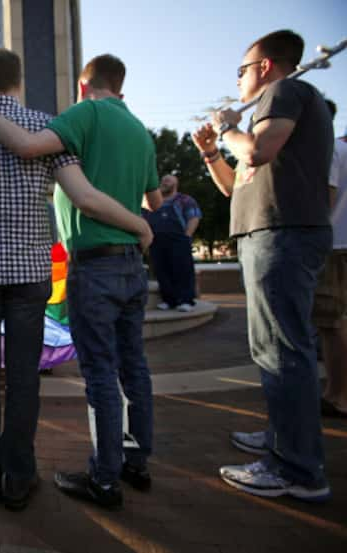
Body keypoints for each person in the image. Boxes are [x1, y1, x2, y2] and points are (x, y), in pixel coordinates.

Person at [0, 49, 154, 511]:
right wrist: (138, 224)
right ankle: (19, 472)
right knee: (23, 377)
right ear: (19, 84)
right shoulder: (48, 126)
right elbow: (82, 194)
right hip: (31, 271)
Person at [192, 30, 332, 501]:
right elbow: (235, 185)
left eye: (241, 70)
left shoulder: (284, 92)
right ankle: (283, 439)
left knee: (283, 349)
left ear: (265, 67)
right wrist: (212, 151)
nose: (238, 80)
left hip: (283, 234)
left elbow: (256, 151)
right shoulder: (271, 107)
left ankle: (295, 468)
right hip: (265, 233)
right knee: (272, 348)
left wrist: (228, 126)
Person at [314, 105, 347, 419]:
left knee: (331, 324)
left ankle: (337, 395)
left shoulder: (329, 149)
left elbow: (326, 199)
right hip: (339, 244)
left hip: (332, 247)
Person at [145, 174, 202, 312]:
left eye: (168, 180)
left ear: (176, 183)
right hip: (156, 241)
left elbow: (194, 217)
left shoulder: (184, 200)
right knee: (161, 271)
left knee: (182, 270)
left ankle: (186, 300)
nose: (164, 182)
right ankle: (169, 300)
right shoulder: (153, 202)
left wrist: (187, 236)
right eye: (163, 180)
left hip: (178, 240)